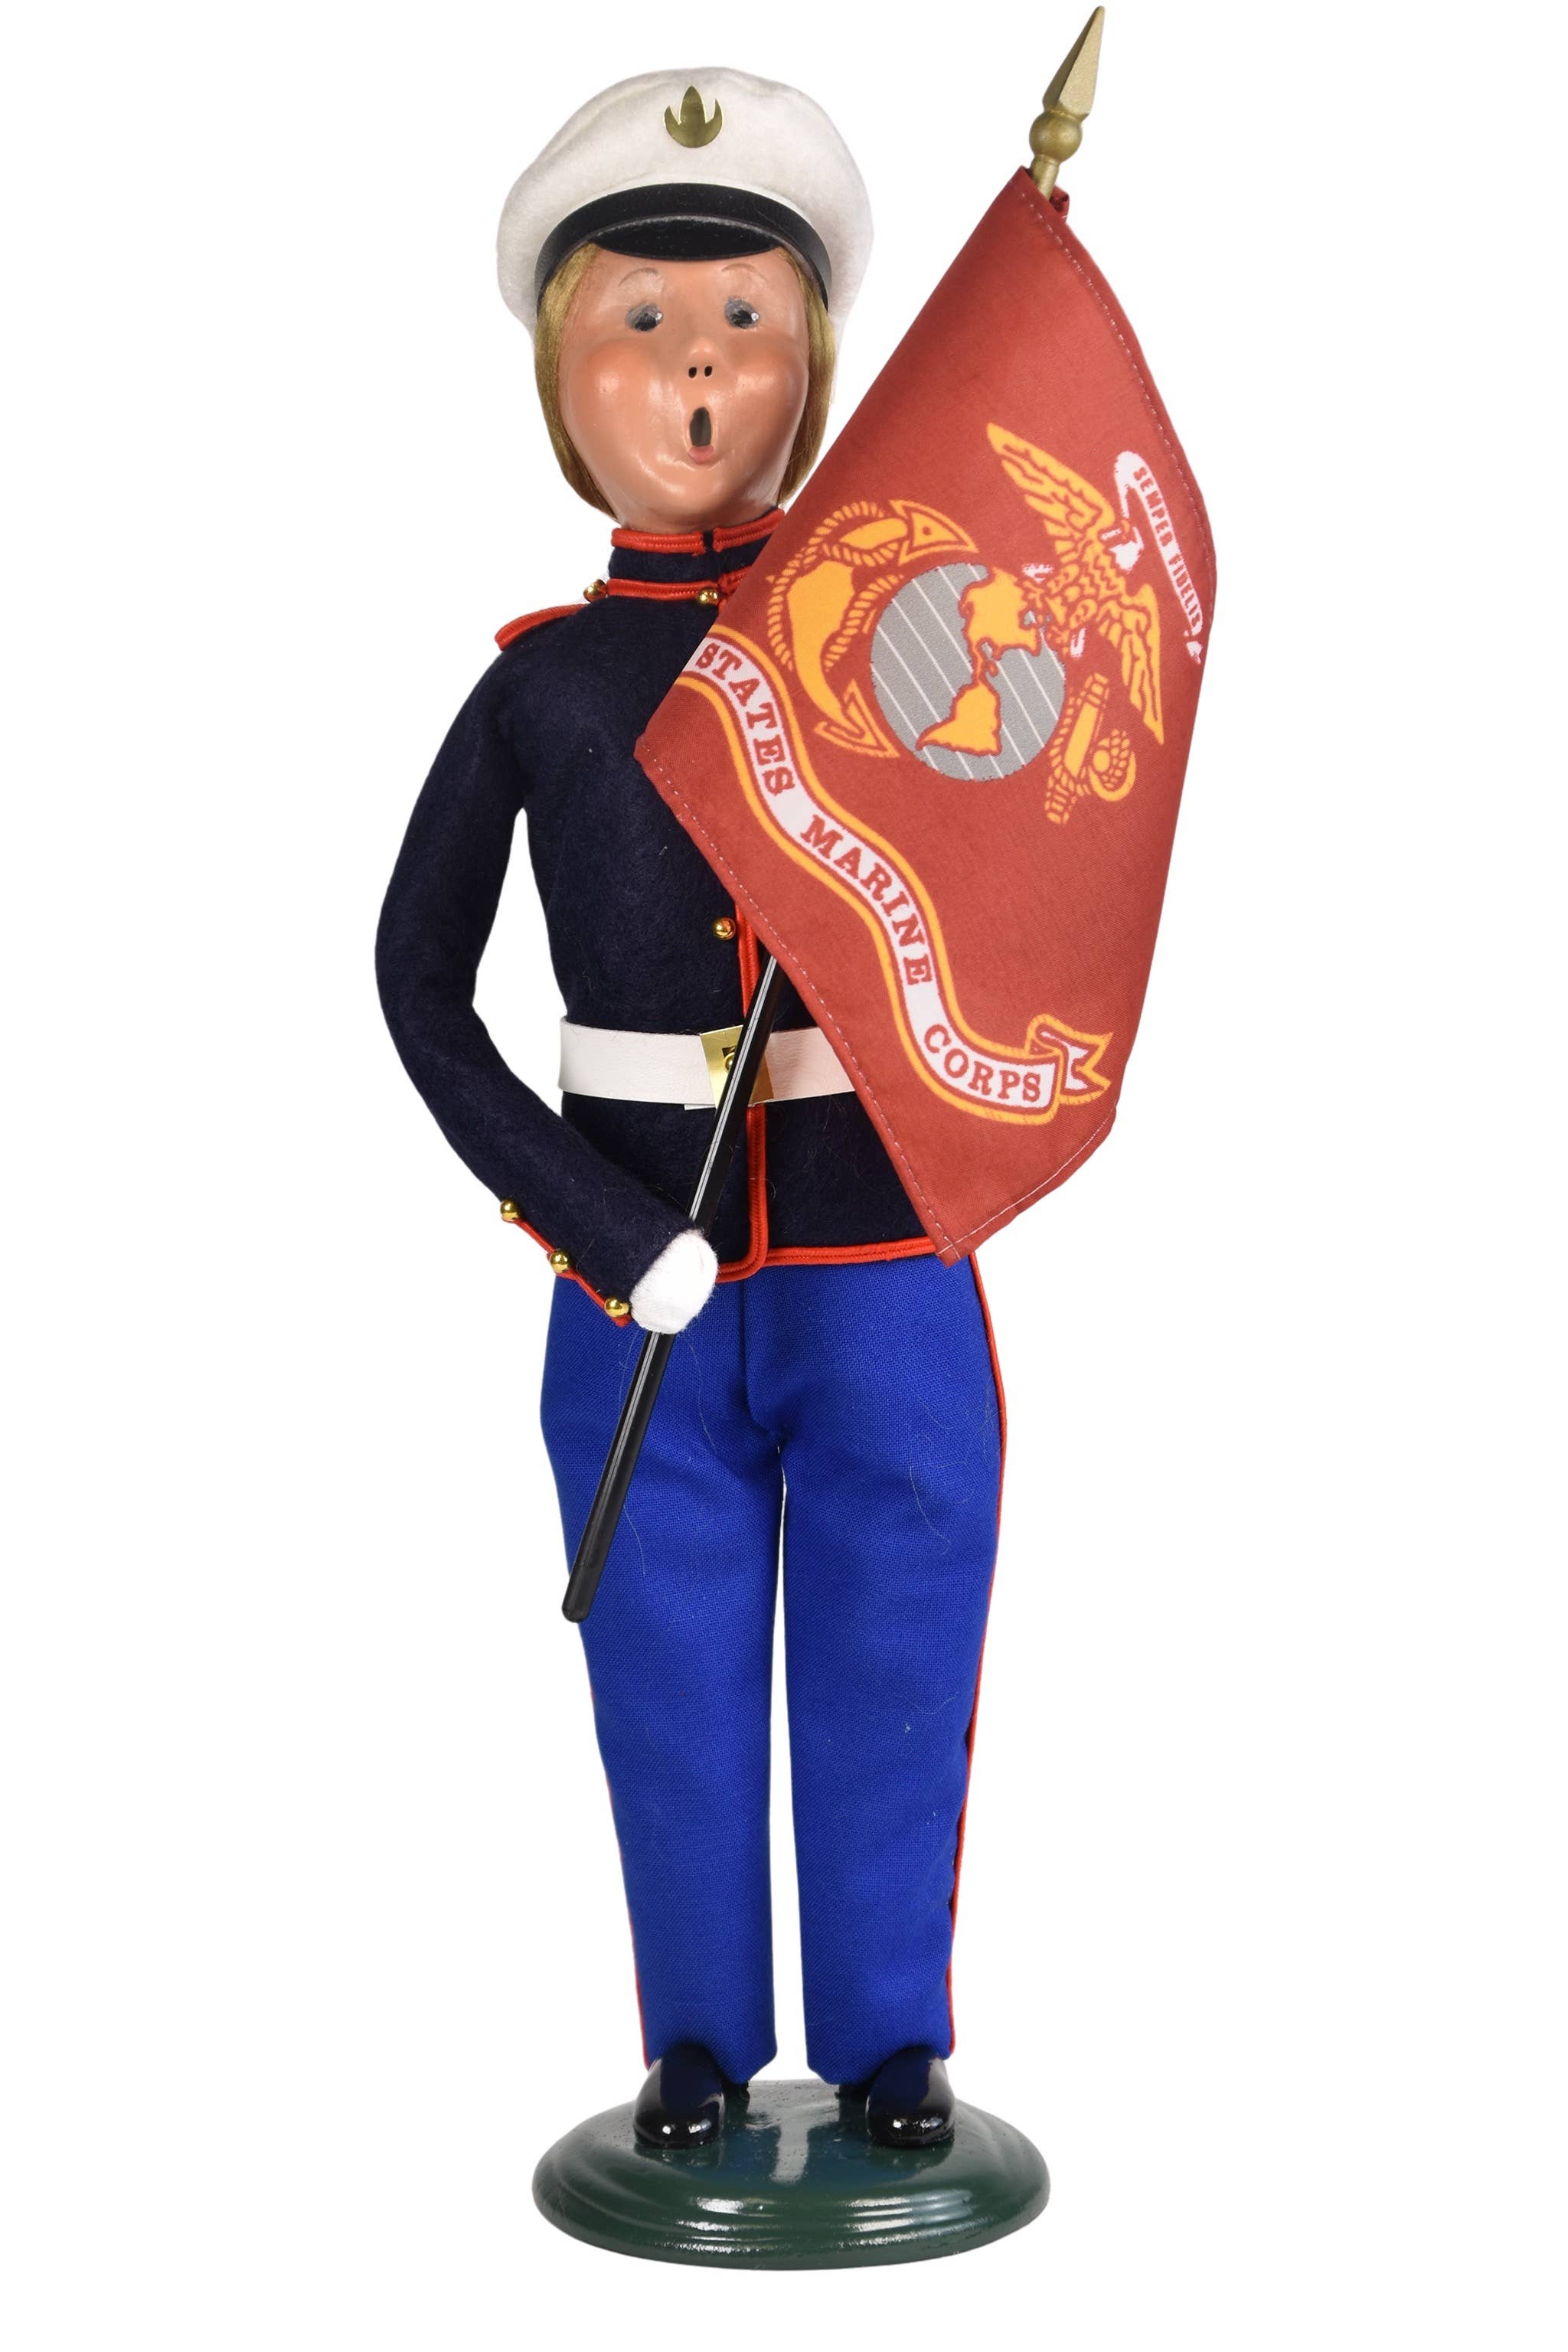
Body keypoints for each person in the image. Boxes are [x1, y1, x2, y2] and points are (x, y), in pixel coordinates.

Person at [376, 68, 1004, 2152]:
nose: (700, 367)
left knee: (899, 1634)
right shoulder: (544, 687)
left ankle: (894, 2035)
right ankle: (703, 2042)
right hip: (634, 1269)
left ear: (815, 364)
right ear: (563, 384)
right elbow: (416, 987)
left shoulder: (883, 647)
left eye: (744, 316)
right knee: (666, 1658)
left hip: (881, 1242)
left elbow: (1017, 846)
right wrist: (592, 1216)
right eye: (640, 323)